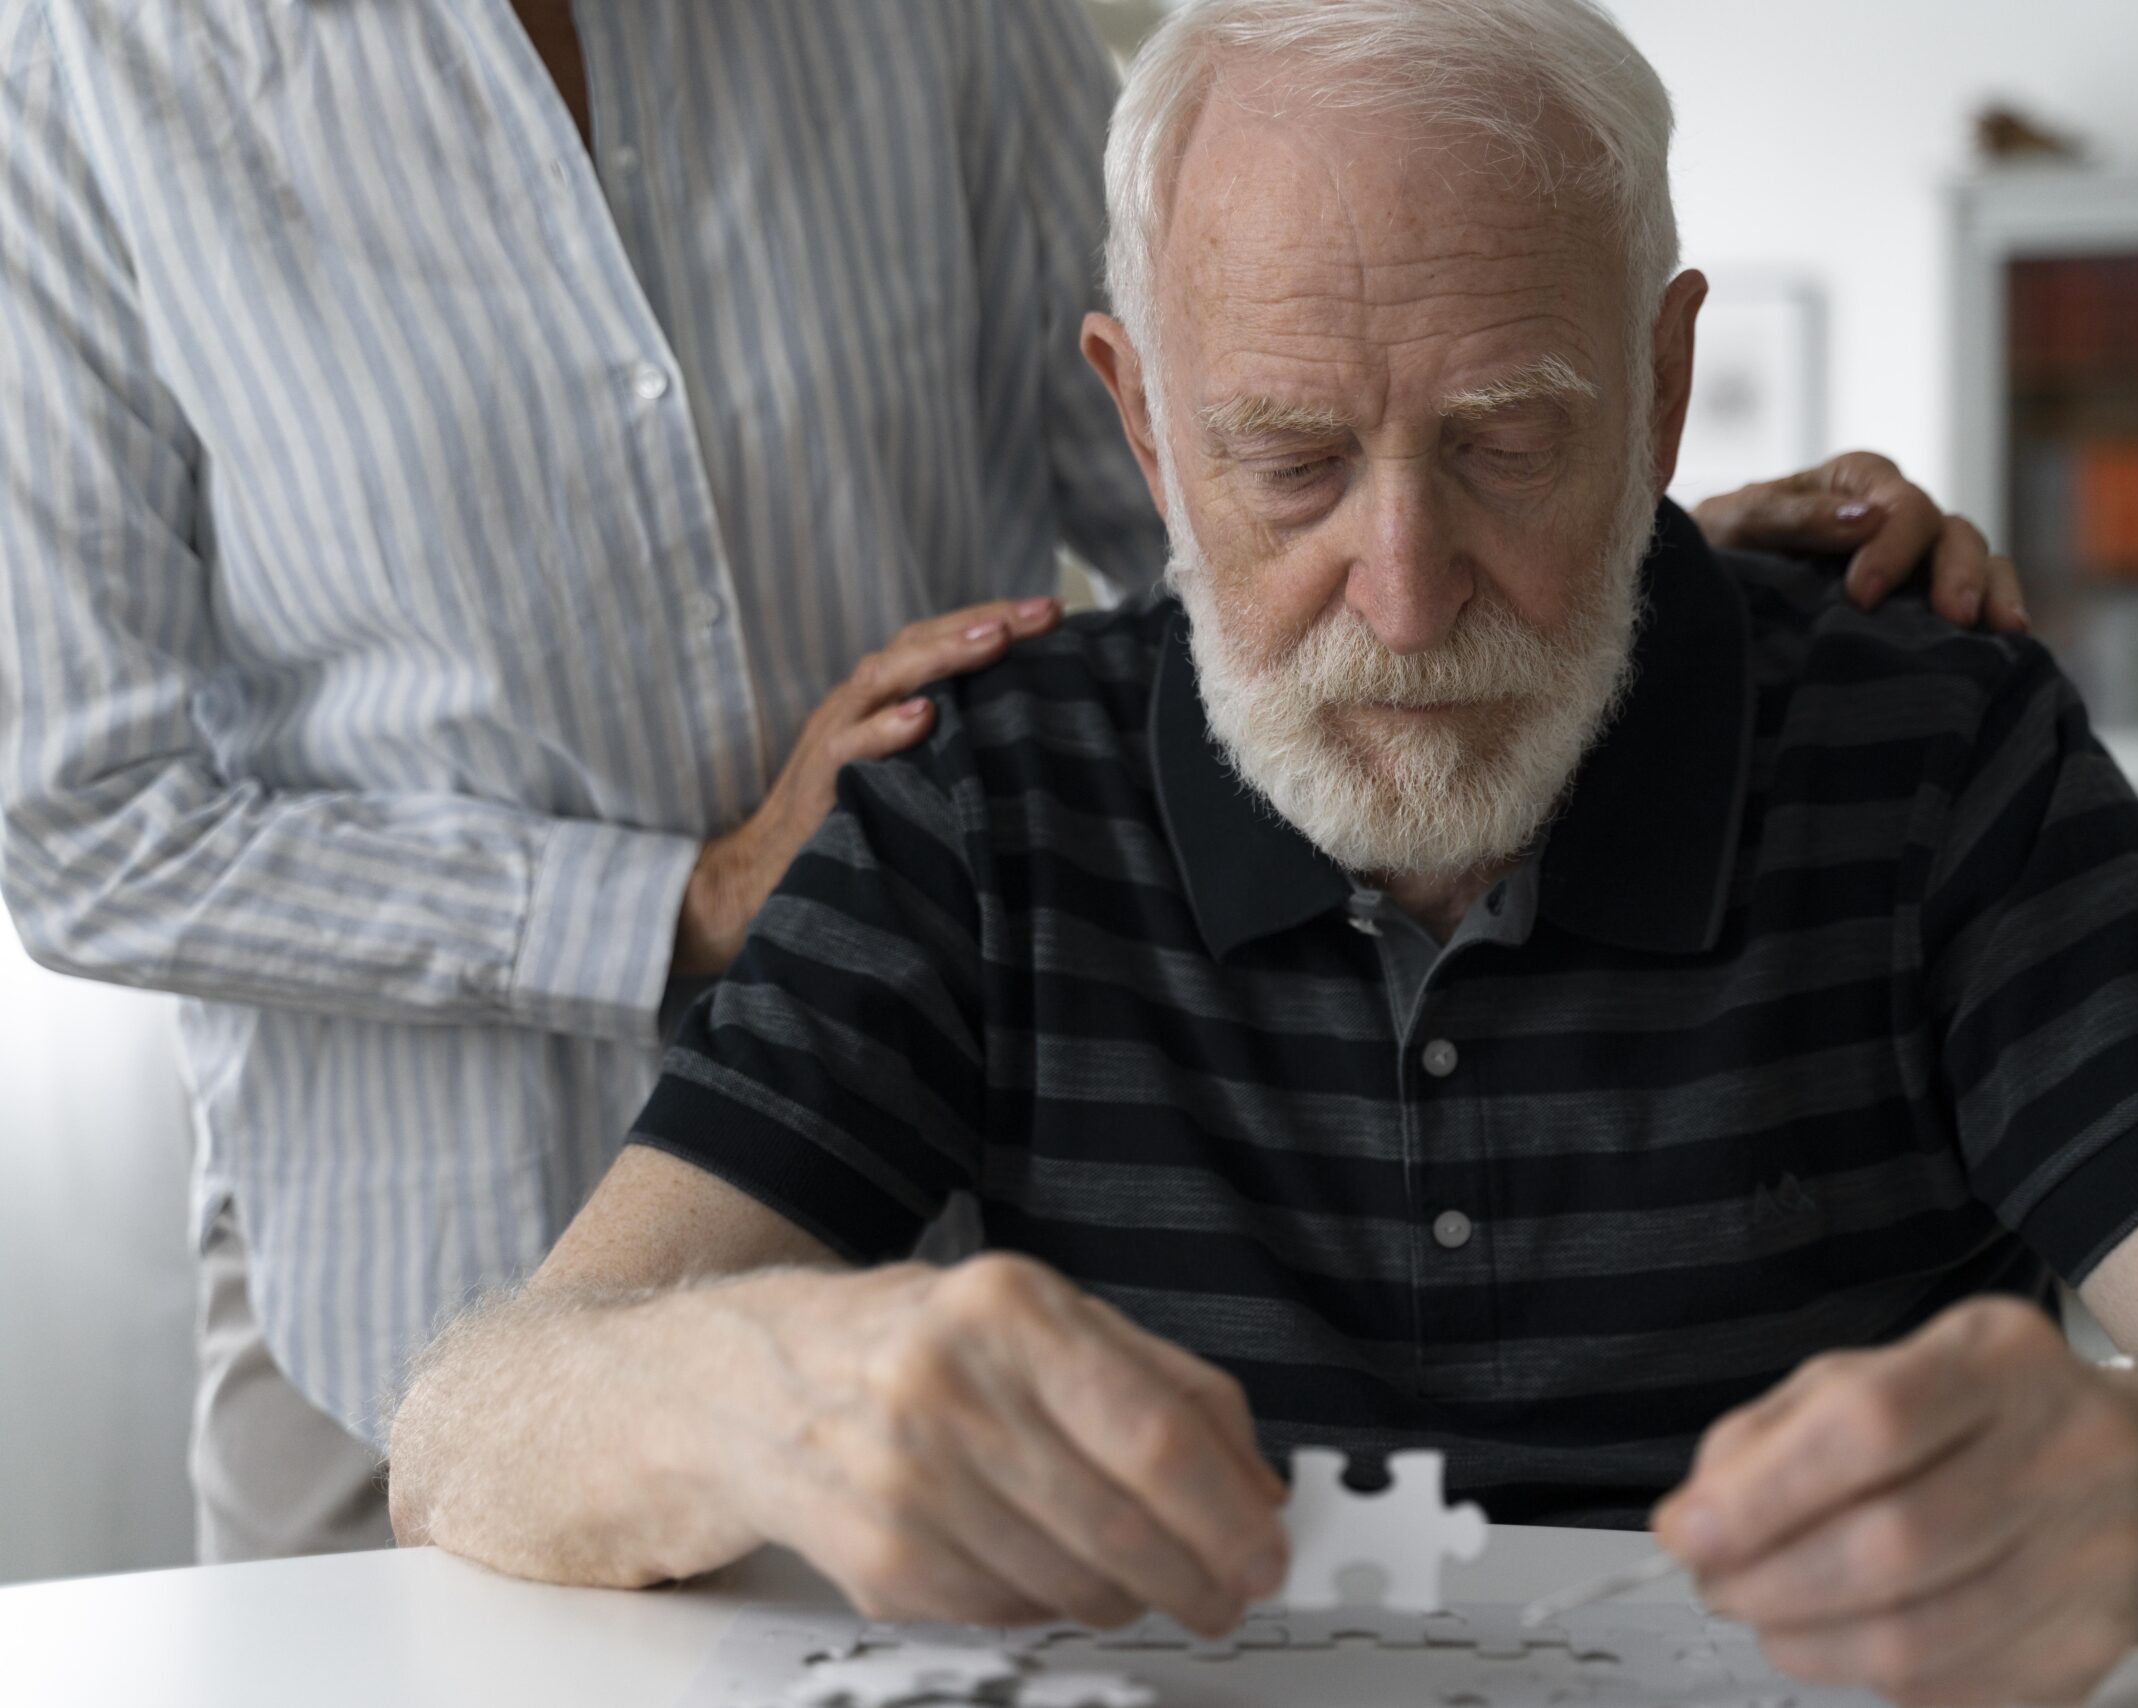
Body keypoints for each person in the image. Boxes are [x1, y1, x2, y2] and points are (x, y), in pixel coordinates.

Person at [0, 0, 2012, 1565]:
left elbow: (1228, 471)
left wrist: (1560, 564)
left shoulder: (936, 19)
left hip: (938, 1206)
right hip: (390, 1262)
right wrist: (689, 897)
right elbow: (83, 828)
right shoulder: (81, 75)